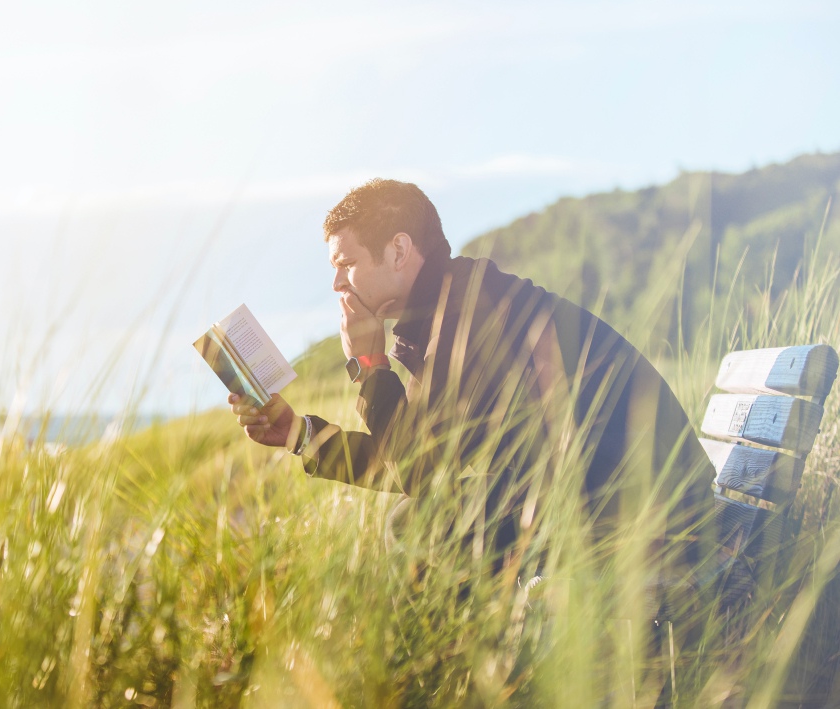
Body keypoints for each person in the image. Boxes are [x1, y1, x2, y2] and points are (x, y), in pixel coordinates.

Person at [228, 178, 715, 622]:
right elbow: (416, 459)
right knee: (427, 520)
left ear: (399, 249)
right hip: (613, 502)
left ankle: (479, 681)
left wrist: (372, 366)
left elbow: (415, 468)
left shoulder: (471, 315)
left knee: (422, 525)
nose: (337, 285)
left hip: (654, 522)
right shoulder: (448, 310)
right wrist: (297, 433)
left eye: (346, 265)